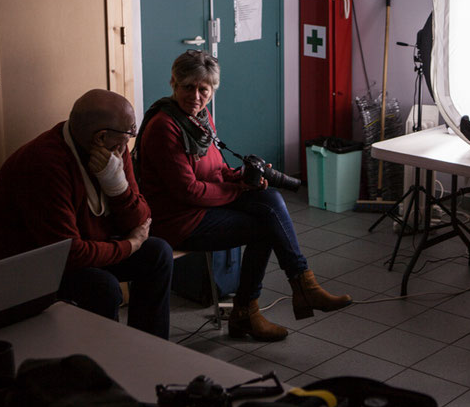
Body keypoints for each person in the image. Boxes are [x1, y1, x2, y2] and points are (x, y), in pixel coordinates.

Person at [135, 49, 351, 342]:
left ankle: (297, 287)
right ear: (173, 83)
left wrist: (242, 176)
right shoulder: (165, 126)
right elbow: (188, 190)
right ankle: (258, 307)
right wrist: (238, 188)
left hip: (201, 207)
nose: (196, 96)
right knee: (265, 227)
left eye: (204, 89)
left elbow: (217, 170)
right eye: (188, 87)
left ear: (212, 90)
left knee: (269, 200)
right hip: (178, 220)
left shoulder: (198, 117)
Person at [0, 90, 173, 339]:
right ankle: (99, 366)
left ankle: (149, 350)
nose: (129, 142)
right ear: (101, 137)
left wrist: (117, 186)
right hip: (28, 265)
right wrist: (130, 245)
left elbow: (141, 220)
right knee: (104, 288)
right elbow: (71, 254)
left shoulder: (114, 151)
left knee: (158, 253)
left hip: (82, 249)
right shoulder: (44, 164)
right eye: (130, 134)